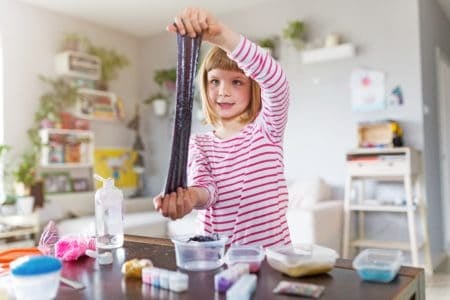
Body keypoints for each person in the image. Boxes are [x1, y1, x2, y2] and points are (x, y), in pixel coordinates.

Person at [153, 7, 291, 247]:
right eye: (214, 81)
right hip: (217, 259)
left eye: (236, 82)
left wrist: (223, 37)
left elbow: (276, 82)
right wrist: (189, 198)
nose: (223, 91)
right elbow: (206, 190)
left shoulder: (267, 129)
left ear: (253, 88)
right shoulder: (200, 143)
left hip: (271, 258)